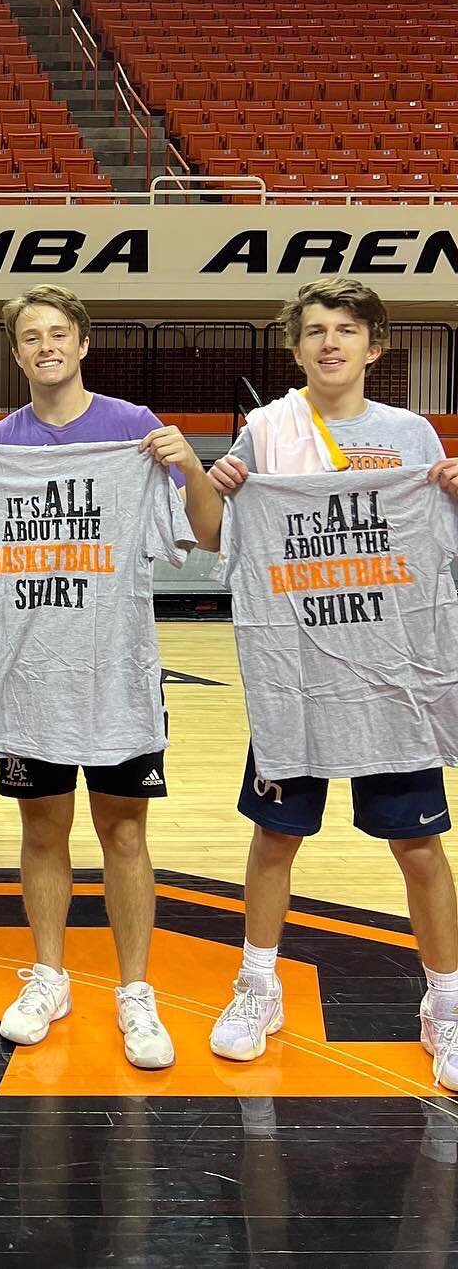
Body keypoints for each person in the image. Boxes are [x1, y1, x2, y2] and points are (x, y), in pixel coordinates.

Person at [0, 284, 221, 1070]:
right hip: (31, 679)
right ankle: (50, 973)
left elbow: (203, 533)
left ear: (82, 342)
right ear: (17, 352)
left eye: (59, 333)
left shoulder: (132, 430)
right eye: (31, 337)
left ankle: (135, 989)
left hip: (115, 673)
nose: (46, 346)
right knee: (42, 831)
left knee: (125, 831)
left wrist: (189, 463)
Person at [199, 278, 458, 1088]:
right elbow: (215, 538)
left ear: (375, 347)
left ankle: (445, 1005)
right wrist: (218, 486)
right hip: (299, 671)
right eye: (314, 330)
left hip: (390, 670)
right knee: (276, 837)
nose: (330, 342)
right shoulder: (266, 431)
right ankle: (257, 986)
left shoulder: (412, 434)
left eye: (346, 329)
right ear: (296, 346)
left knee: (418, 846)